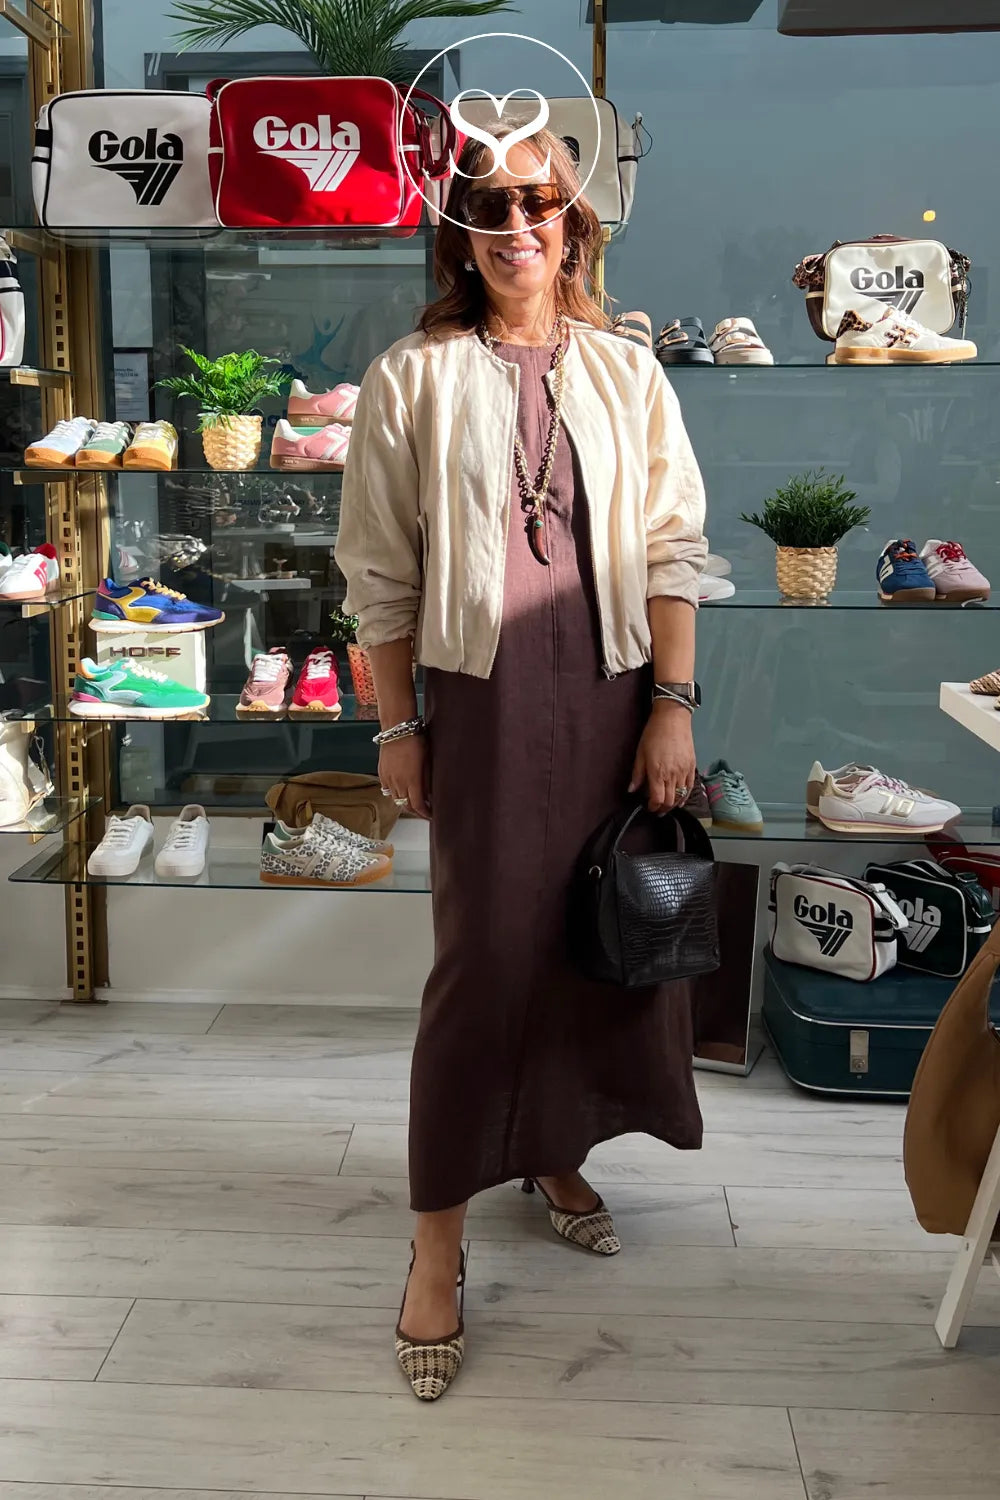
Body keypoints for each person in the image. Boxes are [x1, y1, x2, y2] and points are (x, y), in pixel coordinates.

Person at [335, 123, 708, 1402]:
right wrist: (397, 727)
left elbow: (672, 548)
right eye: (489, 202)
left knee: (589, 948)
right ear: (459, 228)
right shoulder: (410, 376)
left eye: (539, 201)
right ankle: (435, 1242)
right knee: (484, 967)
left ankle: (554, 1151)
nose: (516, 223)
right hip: (484, 706)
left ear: (574, 222)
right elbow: (378, 572)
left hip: (611, 699)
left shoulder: (627, 371)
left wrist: (672, 704)